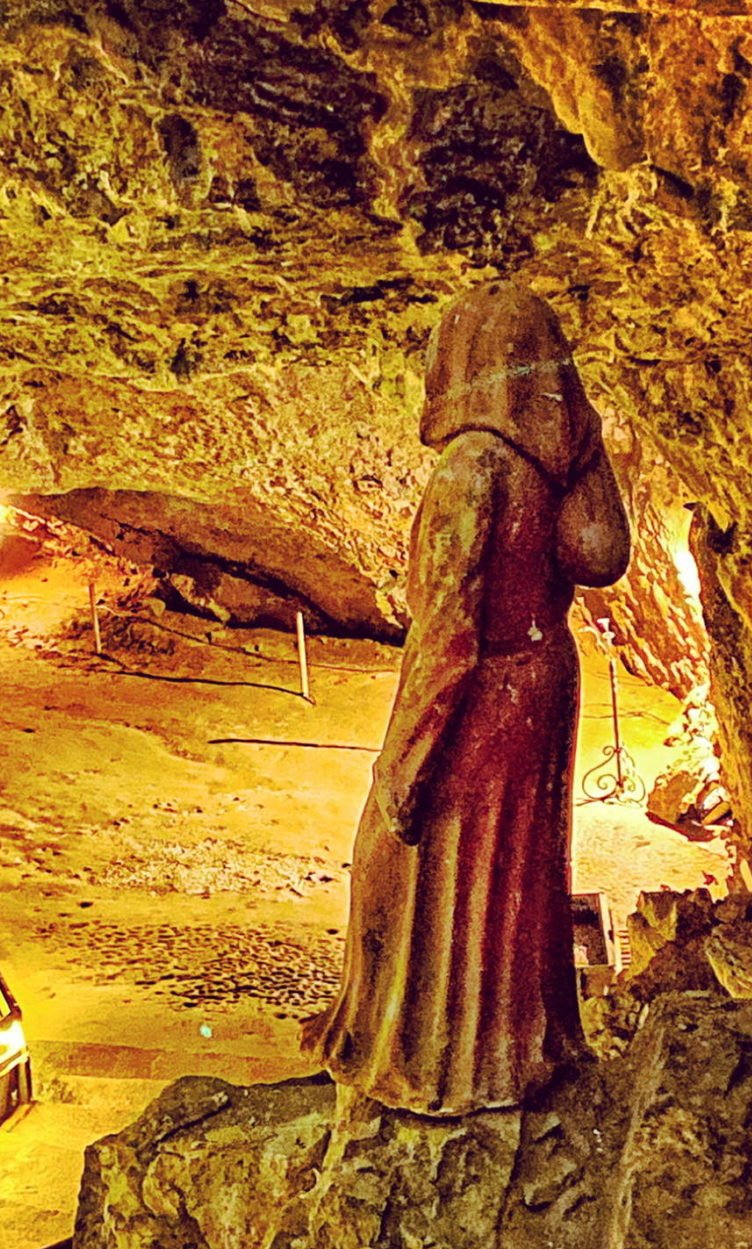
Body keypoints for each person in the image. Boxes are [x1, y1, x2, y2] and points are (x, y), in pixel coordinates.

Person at [304, 280, 631, 1115]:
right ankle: (517, 1045)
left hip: (484, 692)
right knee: (513, 875)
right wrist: (581, 444)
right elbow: (598, 554)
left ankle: (425, 1054)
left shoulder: (472, 468)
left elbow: (445, 629)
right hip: (543, 679)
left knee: (410, 863)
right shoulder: (547, 469)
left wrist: (405, 761)